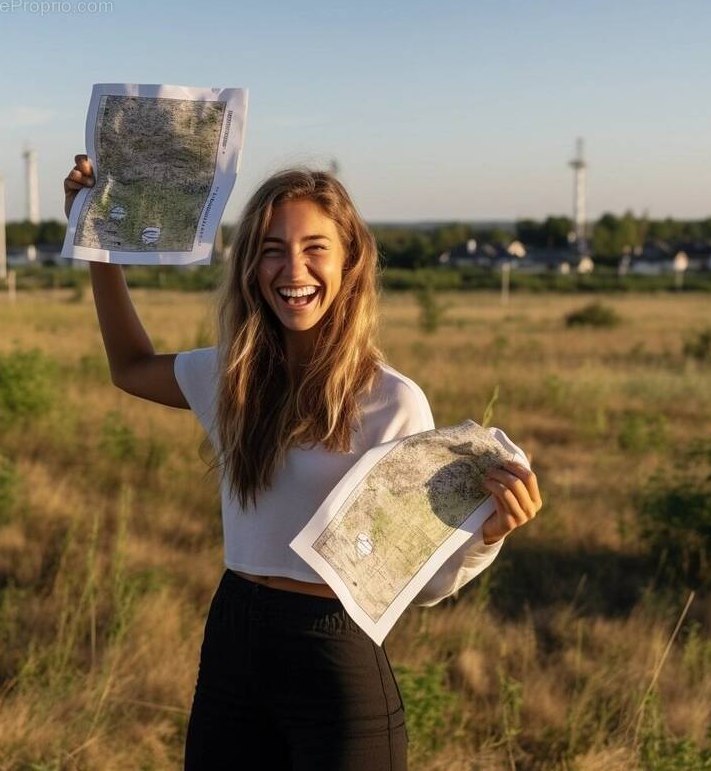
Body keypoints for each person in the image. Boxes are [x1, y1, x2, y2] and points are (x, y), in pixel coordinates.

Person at [63, 155, 543, 770]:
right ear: (249, 267)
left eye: (315, 247)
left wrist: (489, 535)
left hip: (336, 657)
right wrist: (98, 242)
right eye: (272, 250)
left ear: (350, 260)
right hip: (234, 640)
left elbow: (420, 586)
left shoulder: (393, 402)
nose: (293, 269)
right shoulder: (230, 379)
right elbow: (130, 368)